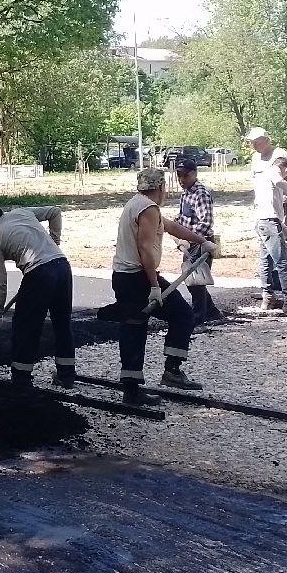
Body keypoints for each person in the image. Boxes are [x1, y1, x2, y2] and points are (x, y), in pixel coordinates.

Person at [109, 167, 217, 406]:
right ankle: (171, 371)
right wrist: (154, 285)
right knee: (181, 314)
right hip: (138, 278)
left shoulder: (138, 204)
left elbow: (170, 226)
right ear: (161, 187)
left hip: (124, 276)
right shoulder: (147, 209)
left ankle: (132, 388)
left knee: (133, 327)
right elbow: (145, 248)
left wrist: (201, 241)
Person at [0, 200, 74, 388]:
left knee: (25, 325)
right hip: (62, 266)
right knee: (62, 322)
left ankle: (21, 378)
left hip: (39, 272)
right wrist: (55, 241)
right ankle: (67, 376)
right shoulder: (22, 212)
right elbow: (54, 211)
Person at [244, 127, 287, 311]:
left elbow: (276, 205)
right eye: (252, 142)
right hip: (268, 220)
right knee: (282, 261)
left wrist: (285, 228)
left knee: (266, 259)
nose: (254, 145)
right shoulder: (273, 173)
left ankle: (268, 298)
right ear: (285, 170)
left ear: (267, 140)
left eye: (258, 142)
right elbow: (279, 181)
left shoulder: (278, 156)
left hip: (265, 219)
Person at [173, 159, 222, 323]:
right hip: (188, 243)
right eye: (179, 175)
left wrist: (187, 238)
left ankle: (198, 318)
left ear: (194, 174)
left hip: (201, 244)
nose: (181, 179)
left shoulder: (201, 194)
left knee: (196, 282)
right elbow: (182, 218)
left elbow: (205, 224)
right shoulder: (186, 194)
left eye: (185, 175)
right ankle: (212, 312)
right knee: (192, 280)